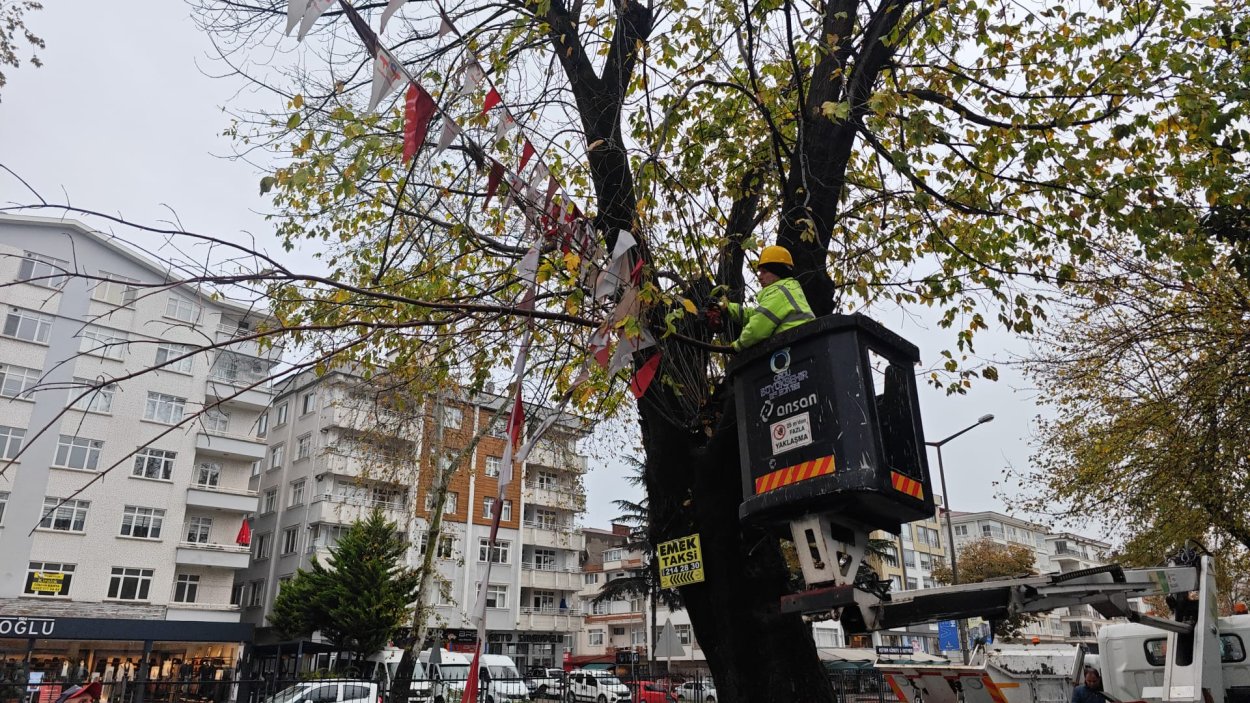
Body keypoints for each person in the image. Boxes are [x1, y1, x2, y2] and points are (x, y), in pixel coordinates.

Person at [718, 245, 814, 352]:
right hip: (802, 346)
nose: (759, 277)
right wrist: (728, 307)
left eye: (764, 272)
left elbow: (757, 328)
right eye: (759, 272)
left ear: (778, 272)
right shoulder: (788, 290)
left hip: (796, 349)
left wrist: (736, 346)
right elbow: (757, 315)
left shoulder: (779, 292)